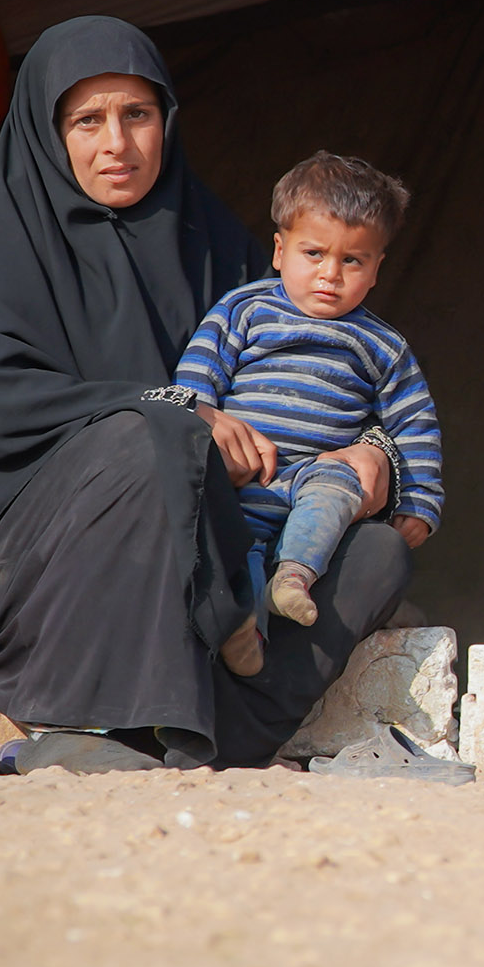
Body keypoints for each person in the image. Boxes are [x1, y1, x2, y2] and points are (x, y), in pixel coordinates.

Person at [0, 15, 412, 772]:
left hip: (213, 557)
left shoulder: (208, 239)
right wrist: (180, 411)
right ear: (51, 131)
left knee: (375, 553)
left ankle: (217, 736)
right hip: (37, 574)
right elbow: (0, 406)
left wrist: (372, 453)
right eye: (88, 119)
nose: (117, 142)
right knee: (150, 435)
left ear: (166, 122)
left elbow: (316, 374)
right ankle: (103, 725)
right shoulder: (4, 240)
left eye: (136, 114)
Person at [169, 152, 442, 635]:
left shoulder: (383, 345)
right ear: (279, 251)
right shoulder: (243, 310)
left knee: (338, 489)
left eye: (352, 260)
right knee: (235, 542)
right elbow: (195, 384)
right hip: (246, 473)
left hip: (317, 476)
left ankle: (293, 578)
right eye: (313, 253)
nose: (329, 274)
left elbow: (414, 424)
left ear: (377, 268)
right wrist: (201, 435)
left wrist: (418, 500)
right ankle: (244, 630)